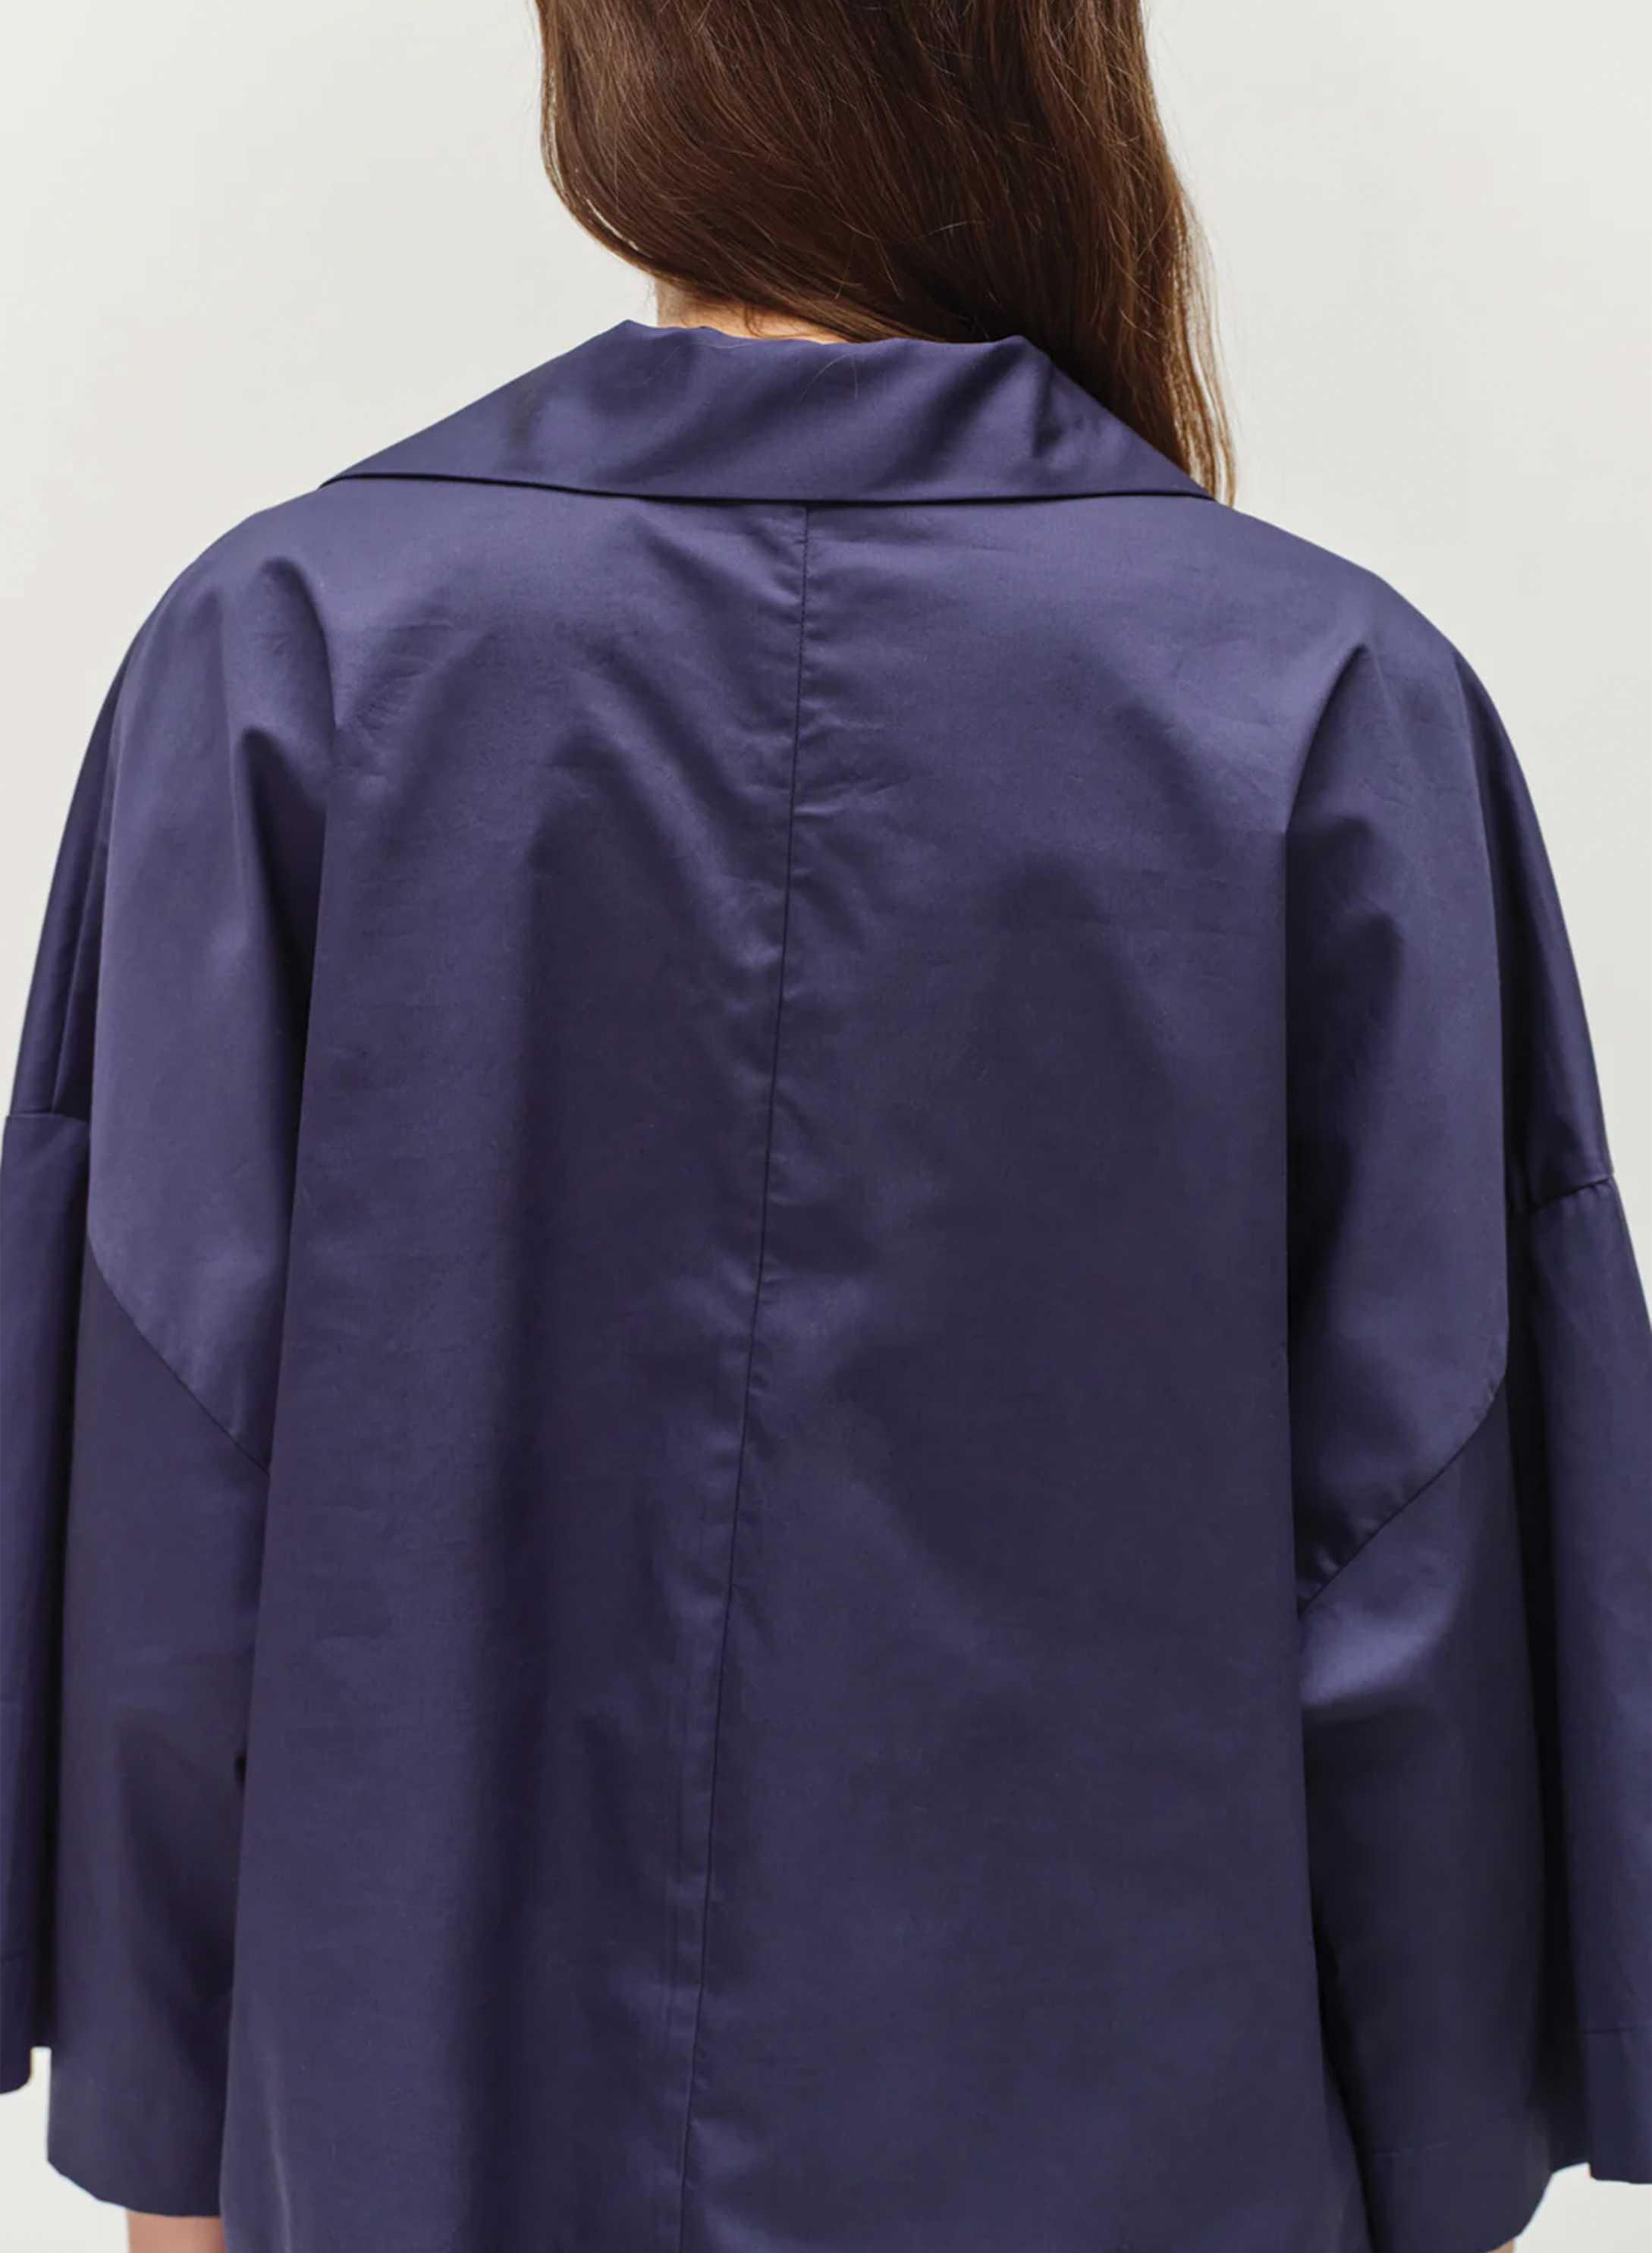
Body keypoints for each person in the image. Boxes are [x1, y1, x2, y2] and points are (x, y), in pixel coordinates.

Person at [2, 5, 1647, 2252]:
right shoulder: (1327, 698)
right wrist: (1441, 2153)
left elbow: (168, 1494)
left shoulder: (283, 646)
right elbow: (1417, 1550)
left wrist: (172, 2149)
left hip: (419, 2138)